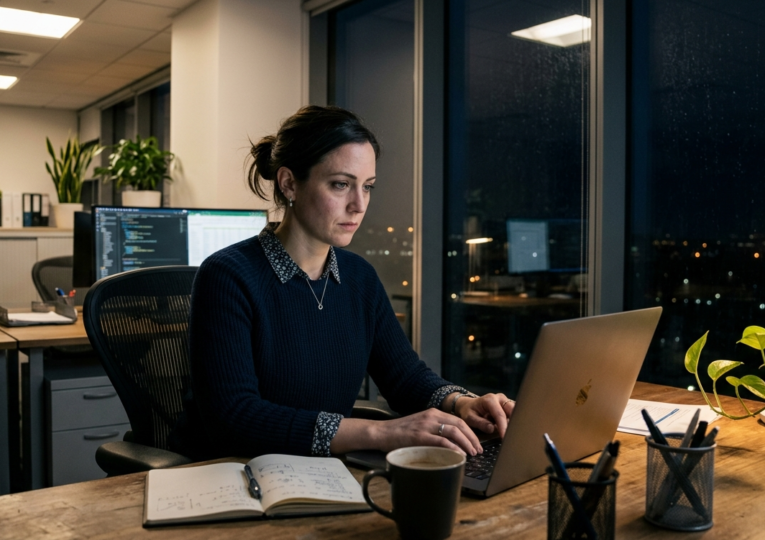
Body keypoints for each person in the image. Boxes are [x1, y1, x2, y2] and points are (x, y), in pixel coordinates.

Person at [175, 105, 514, 461]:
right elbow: (235, 418)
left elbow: (404, 377)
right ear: (289, 183)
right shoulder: (228, 276)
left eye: (367, 187)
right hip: (228, 477)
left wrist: (461, 402)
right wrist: (379, 432)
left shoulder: (358, 277)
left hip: (317, 474)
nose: (358, 205)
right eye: (341, 185)